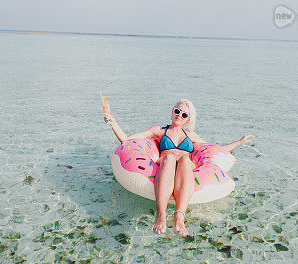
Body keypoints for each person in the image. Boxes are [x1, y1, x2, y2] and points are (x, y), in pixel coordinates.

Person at [104, 99, 254, 236]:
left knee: (184, 160)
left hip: (184, 167)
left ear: (188, 119)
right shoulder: (159, 131)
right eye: (177, 111)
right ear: (172, 112)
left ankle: (179, 216)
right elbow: (127, 140)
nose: (179, 115)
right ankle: (161, 215)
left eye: (184, 114)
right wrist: (113, 123)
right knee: (169, 158)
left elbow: (214, 149)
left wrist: (238, 143)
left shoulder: (190, 134)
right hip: (165, 163)